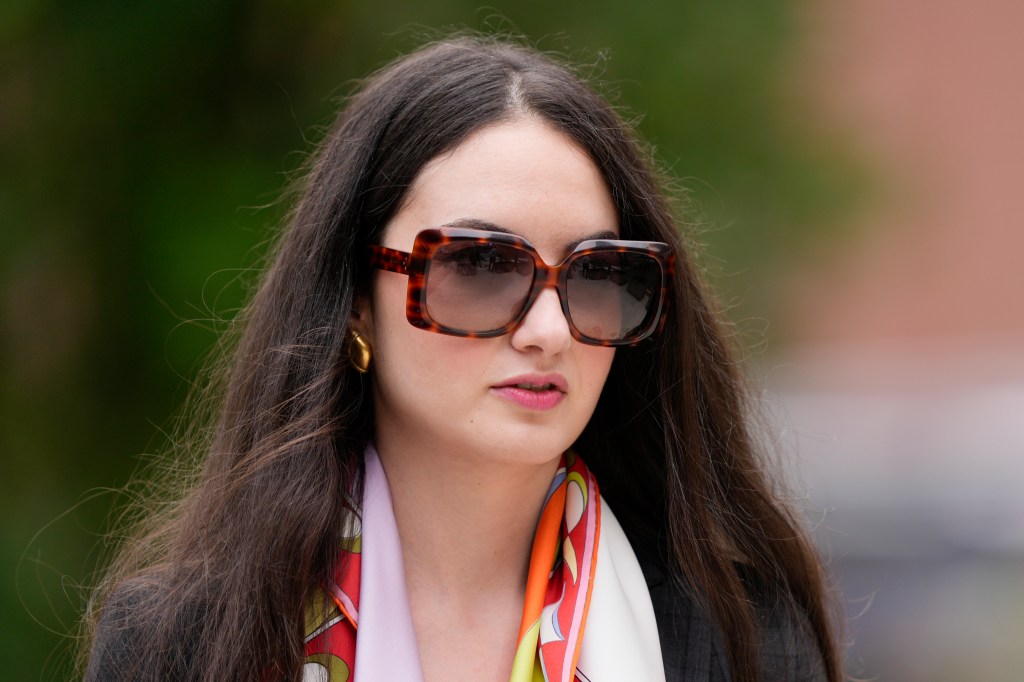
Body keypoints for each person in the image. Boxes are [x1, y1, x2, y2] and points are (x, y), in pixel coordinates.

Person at [83, 36, 841, 682]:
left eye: (598, 274)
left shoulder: (739, 643)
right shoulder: (182, 646)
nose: (549, 329)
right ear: (354, 299)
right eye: (480, 268)